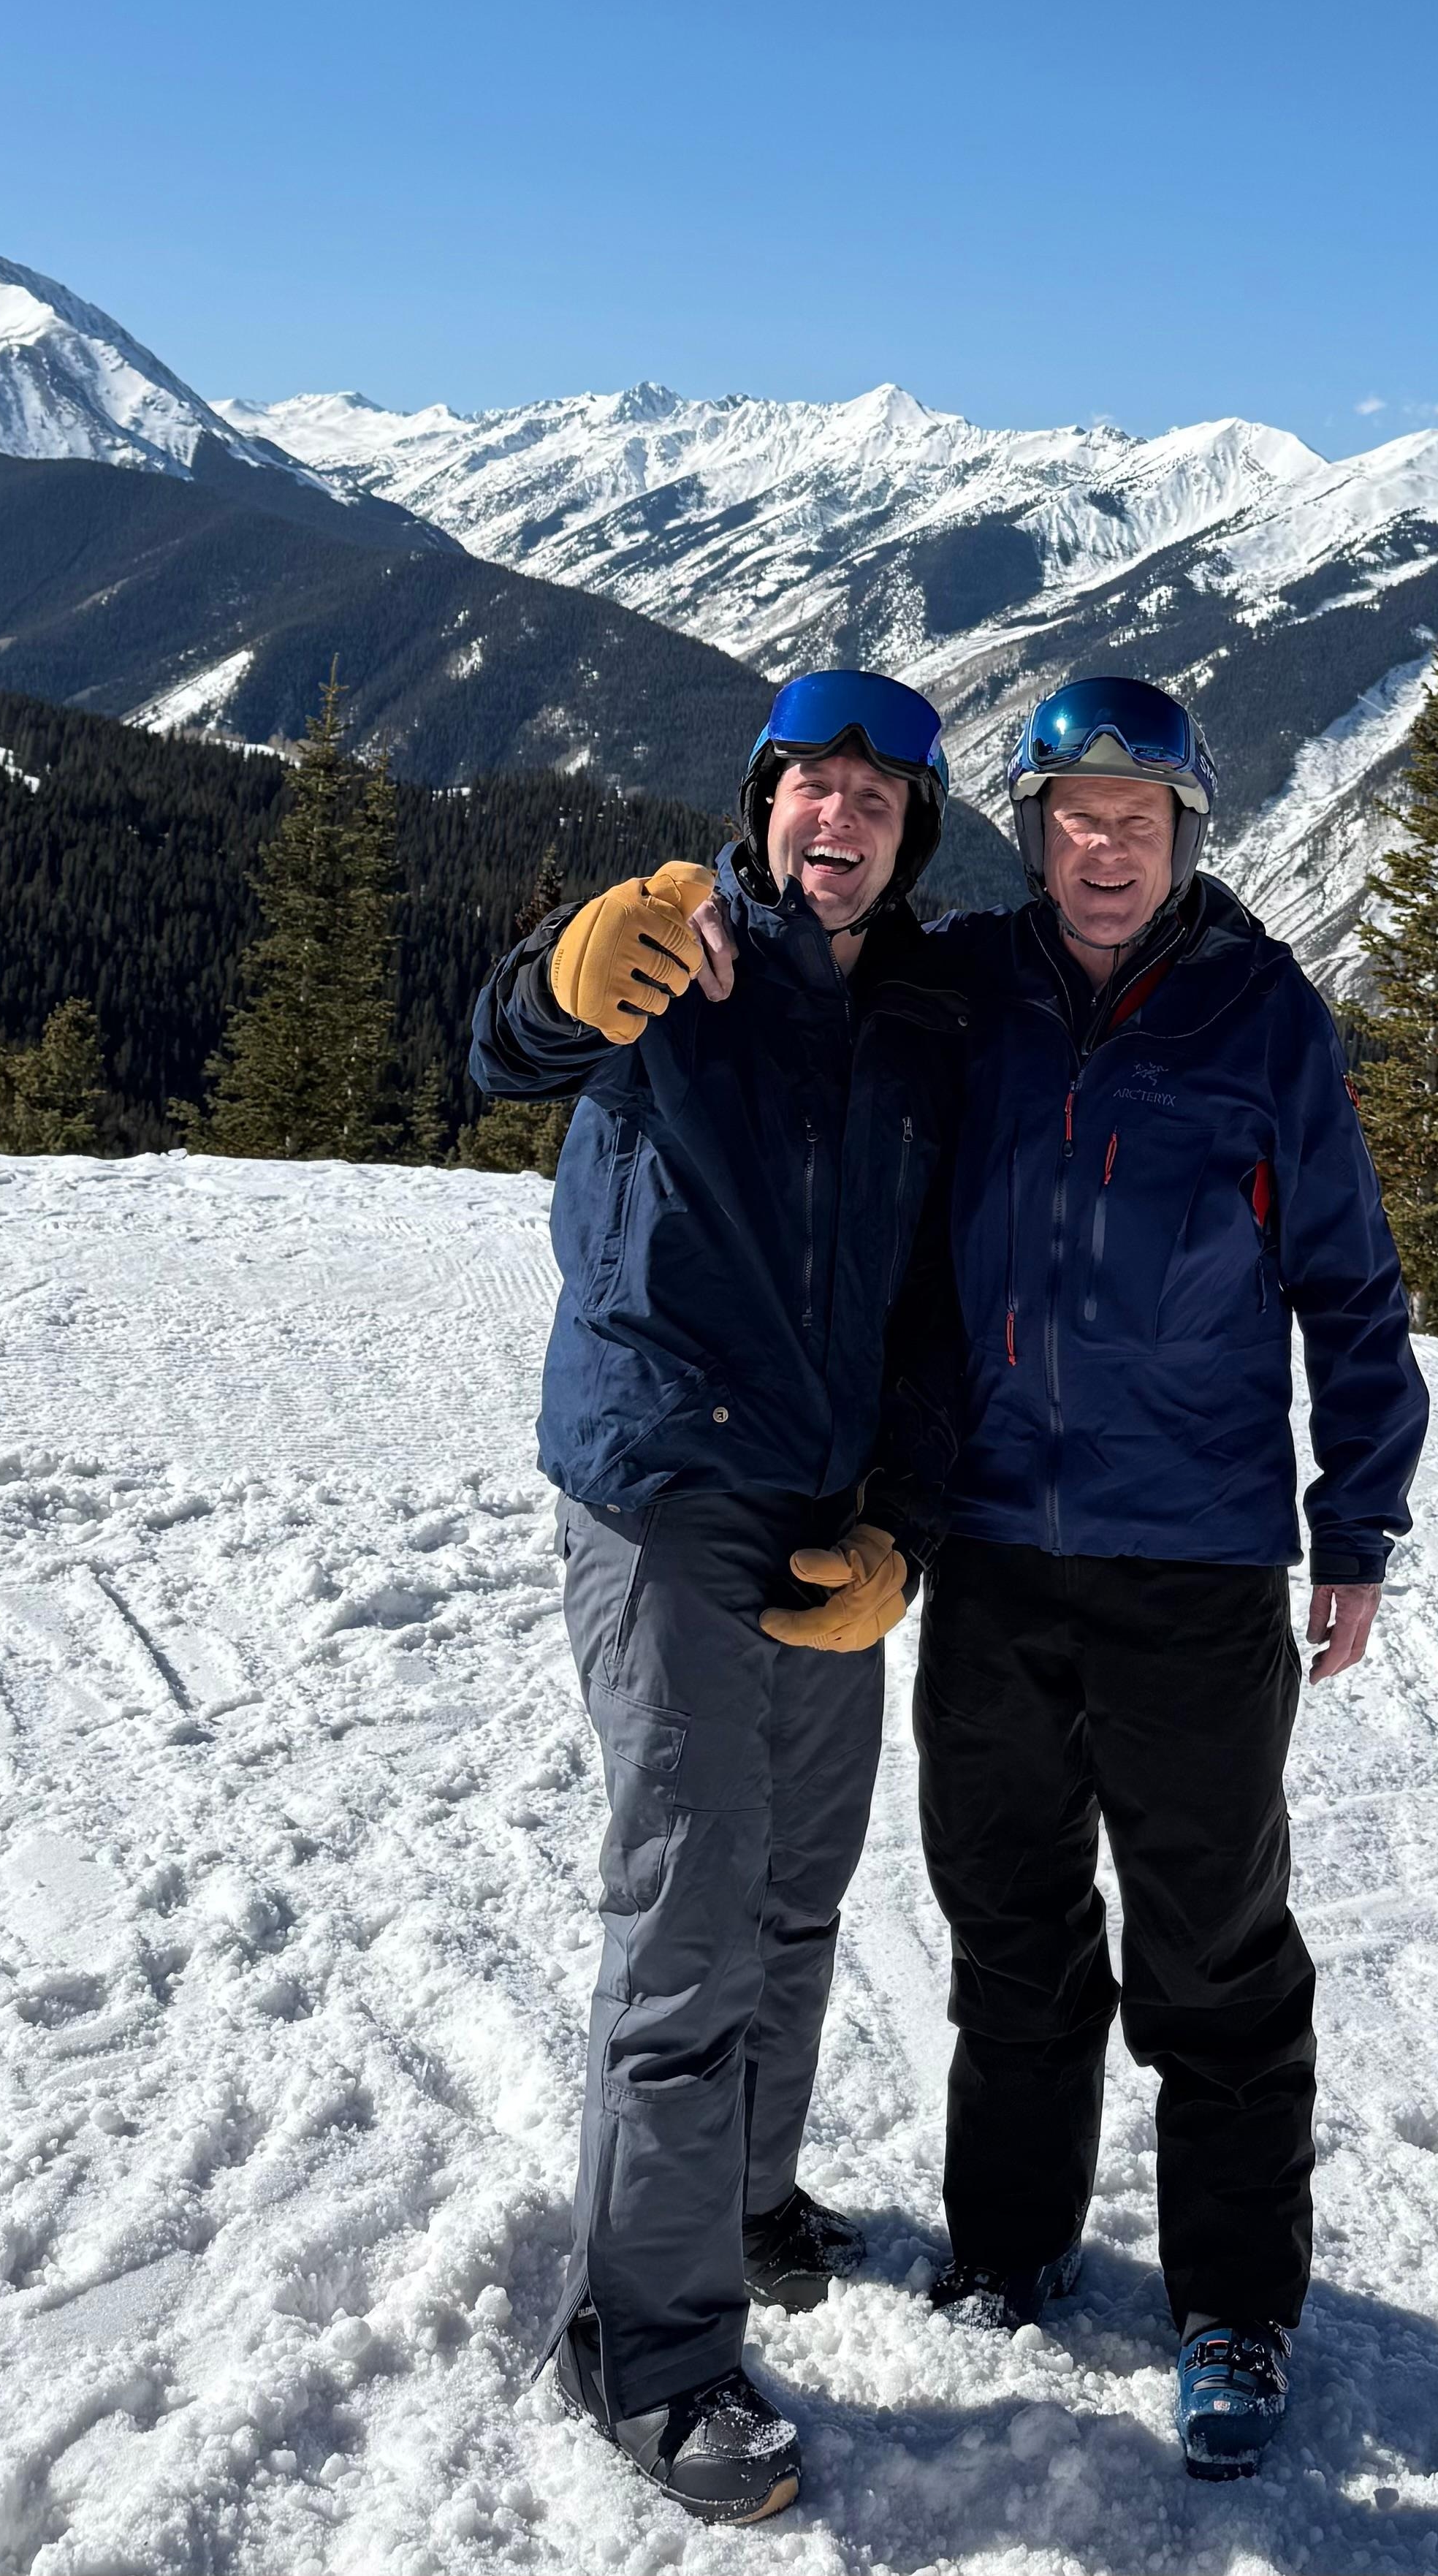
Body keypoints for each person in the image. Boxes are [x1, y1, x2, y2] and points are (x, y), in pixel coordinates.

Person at [906, 675, 1427, 2483]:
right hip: (984, 1543)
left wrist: (1355, 1518)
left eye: (1135, 820)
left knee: (1206, 1947)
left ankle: (1230, 2306)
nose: (1099, 846)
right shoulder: (966, 985)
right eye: (1067, 814)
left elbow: (1350, 1287)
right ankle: (1007, 2244)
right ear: (1028, 827)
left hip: (1192, 1560)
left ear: (1188, 835)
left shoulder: (1259, 1014)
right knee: (1007, 1922)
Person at [466, 668, 965, 2528]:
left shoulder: (918, 1019)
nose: (838, 820)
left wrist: (901, 1524)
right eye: (811, 787)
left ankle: (742, 2197)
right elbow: (503, 1049)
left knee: (795, 1888)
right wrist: (550, 977)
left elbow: (929, 1315)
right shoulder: (677, 949)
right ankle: (648, 2343)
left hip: (826, 1509)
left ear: (910, 836)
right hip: (667, 1485)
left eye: (877, 798)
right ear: (761, 803)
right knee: (685, 1911)